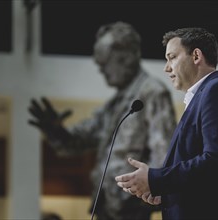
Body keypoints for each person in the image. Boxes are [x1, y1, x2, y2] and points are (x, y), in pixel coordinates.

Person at [28, 21, 176, 220]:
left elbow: (164, 155)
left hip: (130, 209)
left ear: (126, 56)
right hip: (106, 207)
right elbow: (79, 141)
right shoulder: (114, 105)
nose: (101, 70)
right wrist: (57, 131)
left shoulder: (152, 93)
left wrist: (143, 199)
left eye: (105, 62)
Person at [115, 27, 218, 219]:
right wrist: (165, 191)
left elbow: (217, 161)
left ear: (196, 56)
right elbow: (210, 179)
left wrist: (156, 179)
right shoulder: (204, 96)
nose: (166, 67)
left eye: (172, 57)